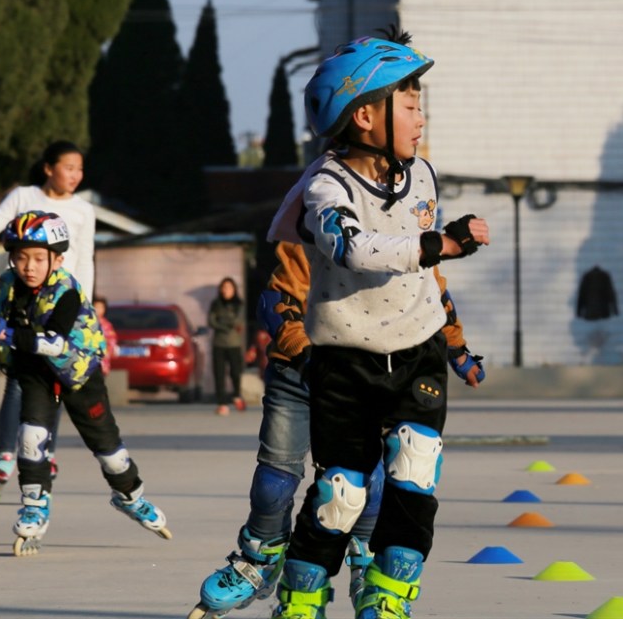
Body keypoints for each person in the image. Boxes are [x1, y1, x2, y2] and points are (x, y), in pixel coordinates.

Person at [265, 30, 490, 619]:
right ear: (365, 115)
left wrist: (456, 343)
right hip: (344, 360)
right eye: (411, 106)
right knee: (342, 496)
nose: (422, 119)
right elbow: (354, 247)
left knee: (416, 478)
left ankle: (388, 601)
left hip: (417, 349)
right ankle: (301, 597)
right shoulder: (325, 186)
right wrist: (436, 242)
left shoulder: (421, 175)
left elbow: (425, 274)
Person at [186, 241, 485, 619]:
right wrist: (309, 357)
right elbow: (276, 300)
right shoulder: (316, 224)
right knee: (274, 480)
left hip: (366, 372)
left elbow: (432, 294)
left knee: (361, 482)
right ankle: (260, 557)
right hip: (299, 370)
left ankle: (367, 560)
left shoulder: (404, 232)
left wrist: (456, 348)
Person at [0, 210, 171, 556]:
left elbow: (55, 342)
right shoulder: (8, 286)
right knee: (30, 438)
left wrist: (5, 334)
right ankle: (35, 505)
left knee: (109, 452)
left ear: (58, 258)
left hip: (79, 374)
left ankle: (130, 497)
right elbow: (1, 327)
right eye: (20, 257)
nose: (29, 266)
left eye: (39, 258)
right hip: (36, 373)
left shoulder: (66, 291)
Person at [0, 141, 95, 501]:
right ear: (49, 168)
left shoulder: (83, 210)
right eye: (69, 168)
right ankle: (5, 451)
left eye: (80, 169)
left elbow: (86, 260)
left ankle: (45, 451)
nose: (75, 175)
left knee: (57, 377)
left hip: (63, 302)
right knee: (18, 373)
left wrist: (85, 308)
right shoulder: (23, 196)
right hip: (23, 298)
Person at [208, 277, 247, 416]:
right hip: (218, 343)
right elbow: (211, 321)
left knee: (236, 372)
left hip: (234, 344)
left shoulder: (239, 304)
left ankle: (236, 395)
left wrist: (222, 322)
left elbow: (237, 321)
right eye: (223, 288)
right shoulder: (215, 304)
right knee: (219, 374)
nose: (225, 290)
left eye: (229, 288)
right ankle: (222, 403)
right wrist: (226, 324)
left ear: (234, 289)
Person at [93, 297, 119, 376]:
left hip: (102, 363)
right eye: (96, 307)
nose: (98, 309)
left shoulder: (106, 325)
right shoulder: (87, 322)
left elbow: (112, 341)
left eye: (101, 307)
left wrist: (106, 353)